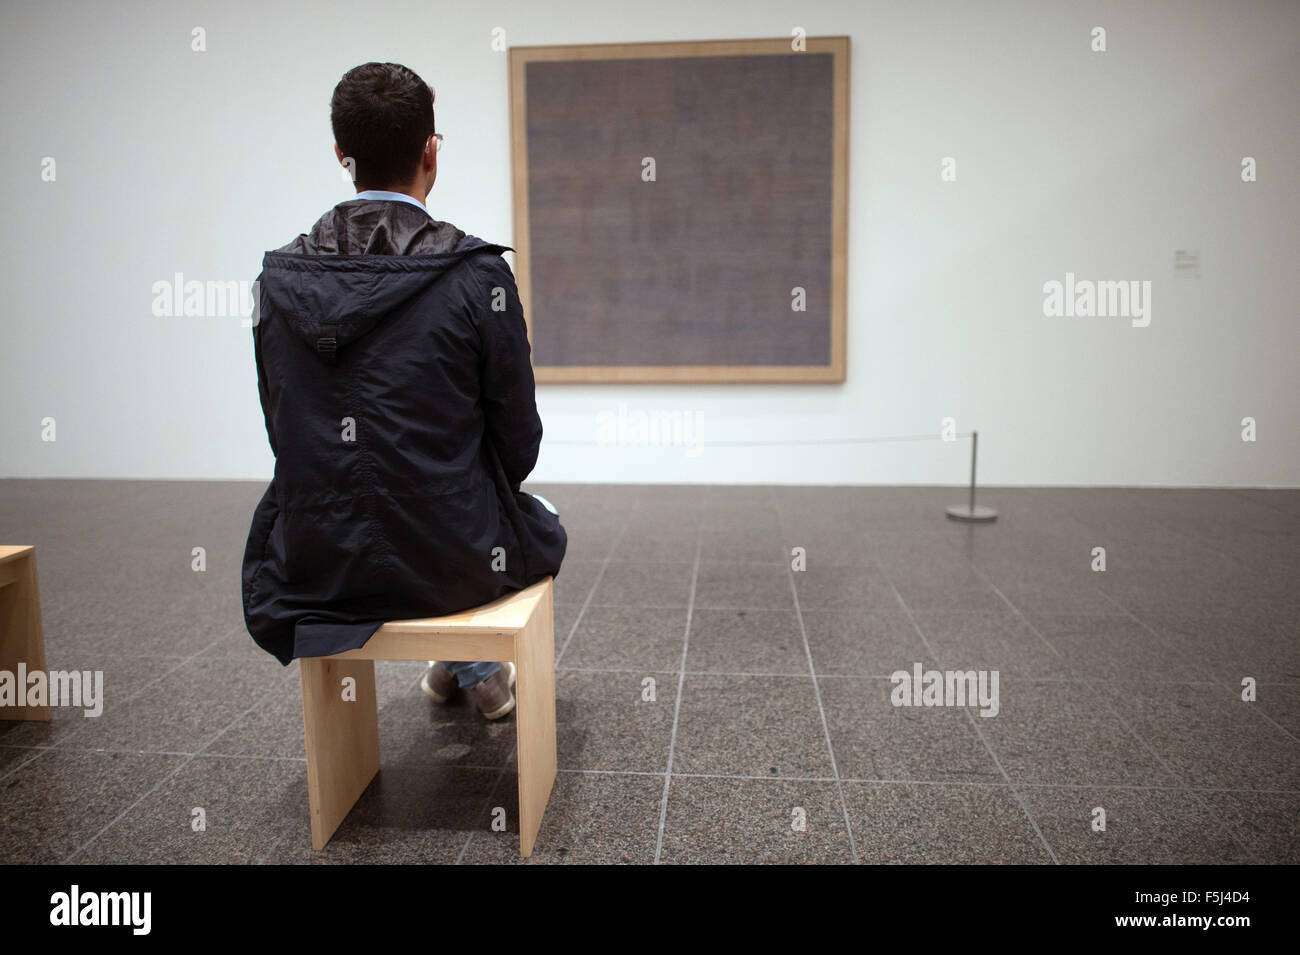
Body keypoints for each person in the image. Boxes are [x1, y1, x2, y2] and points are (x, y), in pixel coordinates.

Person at [242, 62, 566, 720]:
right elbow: (518, 443)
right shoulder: (478, 277)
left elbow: (285, 432)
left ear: (341, 154)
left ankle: (465, 665)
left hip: (320, 560)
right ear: (431, 152)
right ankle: (473, 663)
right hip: (455, 557)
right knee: (539, 517)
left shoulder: (276, 282)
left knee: (387, 512)